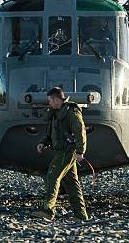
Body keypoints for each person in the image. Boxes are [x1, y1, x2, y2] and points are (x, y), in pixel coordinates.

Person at [33, 87, 89, 221]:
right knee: (72, 184)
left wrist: (81, 151)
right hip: (61, 150)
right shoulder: (55, 112)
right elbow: (50, 130)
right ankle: (81, 215)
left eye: (51, 101)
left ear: (57, 99)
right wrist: (43, 142)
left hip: (67, 151)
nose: (49, 103)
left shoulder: (71, 112)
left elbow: (80, 132)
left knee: (52, 176)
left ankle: (48, 210)